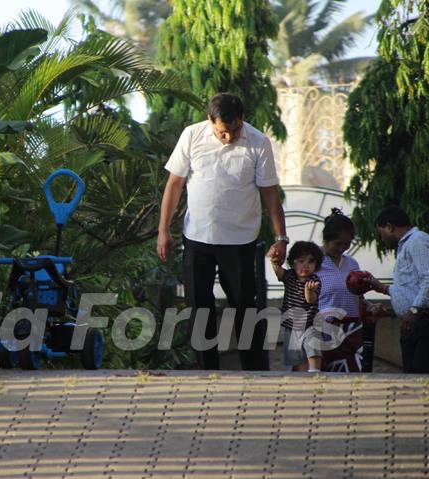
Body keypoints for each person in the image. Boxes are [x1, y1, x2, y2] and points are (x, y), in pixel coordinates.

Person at [156, 92, 287, 371]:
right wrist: (163, 230)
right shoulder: (192, 136)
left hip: (239, 241)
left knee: (244, 308)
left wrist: (281, 237)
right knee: (198, 309)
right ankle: (207, 372)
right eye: (222, 132)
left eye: (235, 129)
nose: (229, 137)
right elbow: (174, 185)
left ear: (242, 120)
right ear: (210, 121)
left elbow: (270, 193)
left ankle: (255, 372)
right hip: (197, 238)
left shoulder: (258, 143)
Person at [367, 205, 429, 374]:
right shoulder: (406, 246)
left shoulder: (417, 241)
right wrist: (383, 289)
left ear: (390, 227)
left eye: (381, 232)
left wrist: (414, 310)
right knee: (412, 376)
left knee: (423, 377)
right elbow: (411, 287)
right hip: (415, 321)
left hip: (428, 319)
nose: (381, 238)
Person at [315, 208, 377, 372]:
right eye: (338, 244)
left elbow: (359, 297)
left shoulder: (352, 264)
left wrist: (369, 306)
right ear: (327, 239)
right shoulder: (313, 261)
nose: (342, 248)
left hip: (351, 331)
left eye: (347, 244)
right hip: (323, 329)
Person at [271, 241, 323, 372]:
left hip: (310, 323)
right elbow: (279, 272)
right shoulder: (289, 276)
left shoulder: (314, 280)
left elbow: (311, 300)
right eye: (301, 261)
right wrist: (274, 260)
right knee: (296, 358)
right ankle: (302, 379)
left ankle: (315, 372)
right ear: (293, 262)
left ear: (316, 265)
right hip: (292, 325)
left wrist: (309, 291)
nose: (306, 265)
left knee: (313, 348)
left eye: (311, 262)